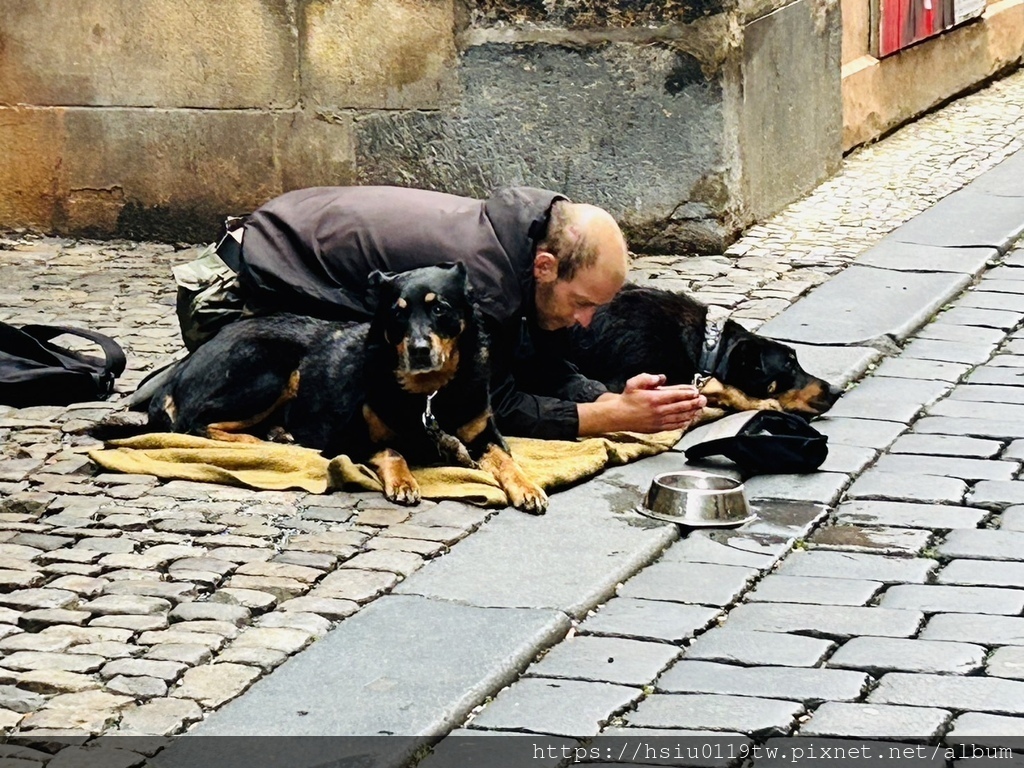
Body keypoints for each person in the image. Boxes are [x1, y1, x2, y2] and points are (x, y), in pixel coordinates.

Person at [177, 185, 706, 440]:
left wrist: (605, 395)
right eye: (583, 303)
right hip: (229, 294)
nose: (586, 320)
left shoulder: (530, 232)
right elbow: (487, 402)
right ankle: (187, 393)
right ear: (546, 267)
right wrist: (604, 419)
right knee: (376, 369)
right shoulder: (483, 283)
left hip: (275, 250)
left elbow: (529, 357)